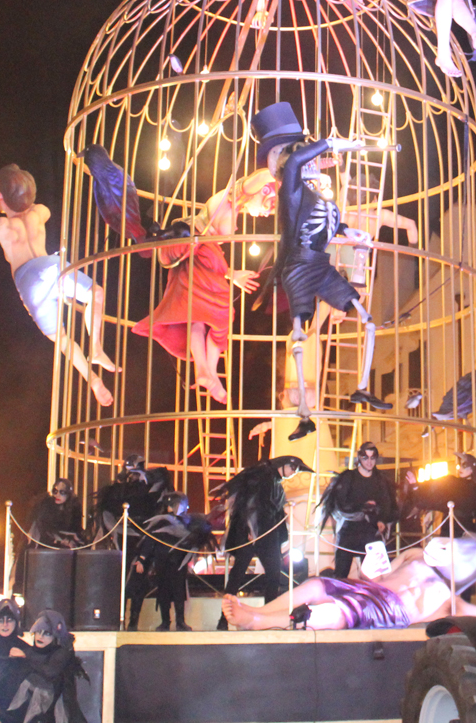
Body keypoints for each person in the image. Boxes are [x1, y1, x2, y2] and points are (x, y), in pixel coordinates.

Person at [250, 103, 381, 439]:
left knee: (366, 319)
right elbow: (294, 162)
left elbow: (329, 226)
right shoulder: (289, 191)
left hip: (319, 263)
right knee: (299, 333)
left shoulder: (316, 196)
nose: (310, 163)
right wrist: (331, 143)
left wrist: (350, 233)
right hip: (298, 265)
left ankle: (363, 387)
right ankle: (303, 414)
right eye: (304, 155)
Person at [0, 165, 118, 407]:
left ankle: (93, 379)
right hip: (51, 267)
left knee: (63, 339)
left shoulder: (2, 227)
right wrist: (8, 198)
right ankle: (96, 347)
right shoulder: (39, 213)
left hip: (30, 284)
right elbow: (34, 207)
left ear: (0, 196)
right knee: (95, 294)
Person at [130, 172, 273, 404]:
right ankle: (208, 373)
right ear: (262, 190)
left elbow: (212, 253)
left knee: (198, 316)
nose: (267, 213)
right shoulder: (231, 197)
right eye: (269, 204)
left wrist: (232, 274)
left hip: (203, 256)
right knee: (215, 311)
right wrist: (284, 166)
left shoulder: (236, 209)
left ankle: (207, 373)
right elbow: (263, 175)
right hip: (191, 245)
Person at [222, 532, 476, 630]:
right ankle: (258, 612)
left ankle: (262, 622)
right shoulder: (417, 554)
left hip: (390, 610)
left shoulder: (450, 599)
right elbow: (377, 574)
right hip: (372, 587)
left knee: (336, 614)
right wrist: (368, 571)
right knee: (317, 585)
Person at [214, 456, 311, 622]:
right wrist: (250, 528)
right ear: (284, 465)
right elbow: (249, 503)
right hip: (252, 534)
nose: (294, 473)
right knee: (239, 575)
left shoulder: (274, 482)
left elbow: (269, 508)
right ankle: (224, 619)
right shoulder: (263, 475)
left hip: (266, 534)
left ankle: (267, 616)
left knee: (272, 573)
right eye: (293, 468)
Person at [127, 493, 211, 632]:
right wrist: (142, 558)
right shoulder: (162, 521)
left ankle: (180, 621)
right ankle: (165, 621)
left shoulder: (189, 521)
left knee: (179, 592)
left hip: (179, 561)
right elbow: (150, 539)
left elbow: (195, 538)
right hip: (162, 560)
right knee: (163, 591)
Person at [318, 443, 398, 579]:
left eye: (373, 458)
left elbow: (387, 504)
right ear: (359, 458)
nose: (369, 461)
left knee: (375, 577)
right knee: (341, 574)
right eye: (365, 457)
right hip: (349, 530)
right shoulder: (349, 477)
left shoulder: (380, 480)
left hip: (371, 532)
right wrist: (362, 507)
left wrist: (382, 520)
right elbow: (341, 504)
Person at [4, 612, 86, 723]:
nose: (40, 637)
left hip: (59, 711)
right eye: (38, 632)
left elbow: (50, 672)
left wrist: (26, 656)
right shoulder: (30, 652)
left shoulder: (63, 653)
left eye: (47, 633)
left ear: (55, 636)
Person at [27, 479, 84, 549]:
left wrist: (75, 539)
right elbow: (44, 530)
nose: (57, 495)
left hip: (67, 549)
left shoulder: (74, 509)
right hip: (47, 546)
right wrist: (61, 541)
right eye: (55, 491)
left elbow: (76, 529)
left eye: (62, 492)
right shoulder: (46, 507)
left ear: (68, 494)